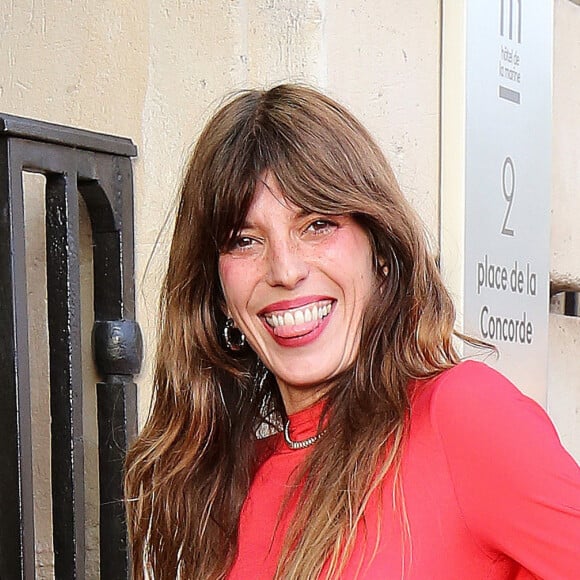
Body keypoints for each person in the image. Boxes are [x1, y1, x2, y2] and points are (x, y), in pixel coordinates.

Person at [124, 84, 580, 579]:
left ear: (379, 251)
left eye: (317, 224)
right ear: (218, 294)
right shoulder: (220, 483)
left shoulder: (461, 417)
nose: (285, 269)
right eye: (244, 240)